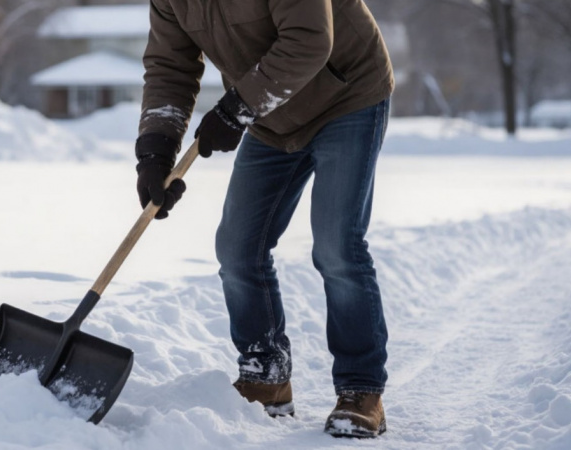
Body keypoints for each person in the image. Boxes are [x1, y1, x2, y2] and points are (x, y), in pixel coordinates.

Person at [134, 0, 393, 438]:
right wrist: (156, 149)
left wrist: (237, 110)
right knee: (237, 247)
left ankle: (361, 389)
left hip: (347, 95)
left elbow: (310, 39)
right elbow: (169, 66)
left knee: (337, 245)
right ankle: (266, 375)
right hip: (272, 113)